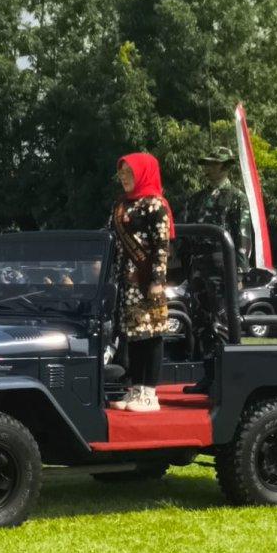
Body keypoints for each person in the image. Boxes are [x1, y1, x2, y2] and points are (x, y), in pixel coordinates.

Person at [181, 146, 253, 395]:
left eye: (213, 163)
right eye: (207, 163)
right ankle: (209, 376)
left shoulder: (235, 197)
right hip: (198, 266)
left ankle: (227, 380)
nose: (208, 168)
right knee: (201, 323)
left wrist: (240, 272)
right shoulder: (196, 198)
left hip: (222, 265)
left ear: (225, 166)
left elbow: (242, 235)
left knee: (222, 322)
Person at [108, 152, 174, 413]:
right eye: (122, 173)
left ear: (143, 173)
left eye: (129, 173)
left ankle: (150, 393)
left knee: (152, 335)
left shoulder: (156, 205)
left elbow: (161, 245)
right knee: (133, 336)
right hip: (127, 283)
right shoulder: (121, 205)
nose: (124, 178)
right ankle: (135, 389)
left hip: (147, 281)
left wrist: (157, 279)